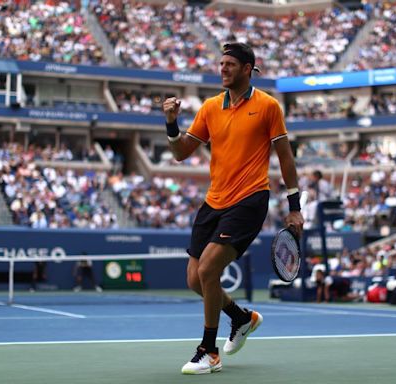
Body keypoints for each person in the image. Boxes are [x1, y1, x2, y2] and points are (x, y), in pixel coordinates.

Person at [162, 42, 304, 375]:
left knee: (209, 270)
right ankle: (241, 318)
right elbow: (182, 152)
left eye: (229, 64)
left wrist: (294, 206)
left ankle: (208, 351)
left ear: (246, 68)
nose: (222, 68)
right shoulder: (210, 107)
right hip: (214, 201)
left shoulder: (268, 106)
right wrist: (172, 123)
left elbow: (285, 157)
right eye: (221, 63)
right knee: (195, 279)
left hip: (250, 199)